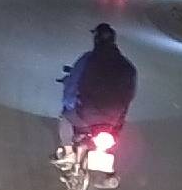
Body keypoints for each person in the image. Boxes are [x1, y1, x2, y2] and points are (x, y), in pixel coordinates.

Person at [55, 23, 138, 159]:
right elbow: (129, 95)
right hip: (113, 122)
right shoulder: (128, 66)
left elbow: (72, 86)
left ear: (96, 40)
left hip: (85, 115)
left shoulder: (88, 59)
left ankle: (68, 153)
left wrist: (69, 105)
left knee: (65, 118)